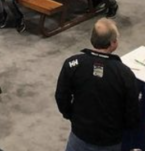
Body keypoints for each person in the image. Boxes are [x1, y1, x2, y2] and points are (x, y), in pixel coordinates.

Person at [56, 19, 139, 151]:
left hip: (80, 135)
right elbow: (132, 109)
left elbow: (61, 96)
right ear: (113, 43)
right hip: (110, 140)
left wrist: (71, 116)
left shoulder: (72, 64)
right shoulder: (124, 73)